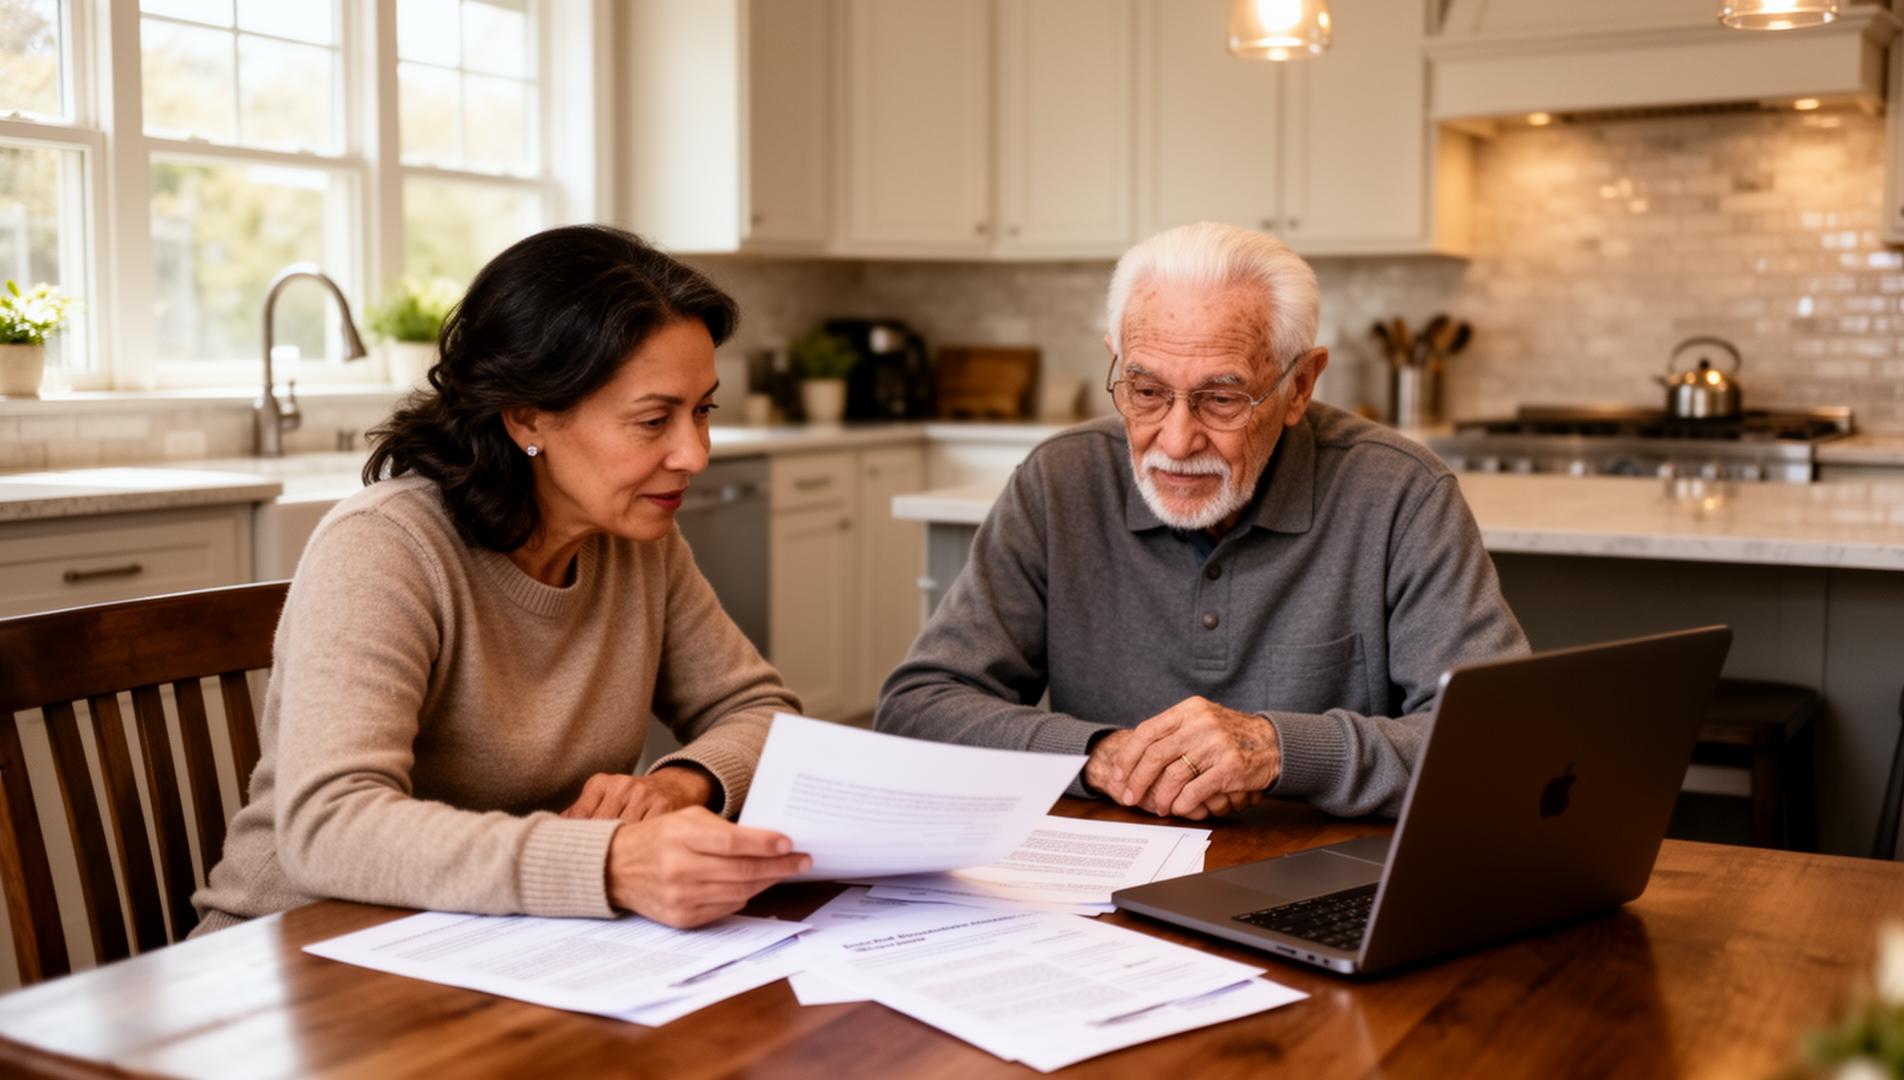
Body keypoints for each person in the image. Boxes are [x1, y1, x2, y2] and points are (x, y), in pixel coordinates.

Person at [193, 225, 810, 935]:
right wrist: (609, 862)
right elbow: (330, 827)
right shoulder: (385, 547)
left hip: (499, 939)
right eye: (653, 420)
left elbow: (765, 712)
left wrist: (683, 783)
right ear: (527, 417)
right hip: (300, 954)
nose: (694, 454)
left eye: (703, 411)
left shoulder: (638, 543)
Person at [875, 222, 1529, 822]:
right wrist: (1098, 756)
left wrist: (1278, 750)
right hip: (1102, 889)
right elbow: (916, 709)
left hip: (1324, 882)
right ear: (1116, 363)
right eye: (1147, 392)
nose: (1177, 441)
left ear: (1299, 385)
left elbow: (1502, 743)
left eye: (1221, 398)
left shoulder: (1401, 492)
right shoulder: (1059, 481)